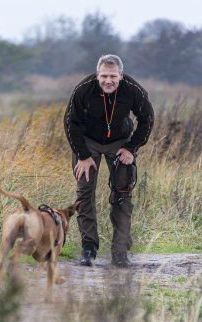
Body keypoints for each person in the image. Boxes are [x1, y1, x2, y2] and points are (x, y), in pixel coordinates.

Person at [64, 54, 154, 267]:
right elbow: (71, 123)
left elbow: (147, 119)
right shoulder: (83, 89)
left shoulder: (134, 90)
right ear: (97, 75)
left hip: (120, 141)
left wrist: (131, 148)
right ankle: (89, 247)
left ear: (121, 75)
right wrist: (83, 156)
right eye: (104, 76)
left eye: (113, 76)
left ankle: (120, 251)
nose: (108, 81)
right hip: (87, 142)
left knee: (122, 193)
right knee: (85, 193)